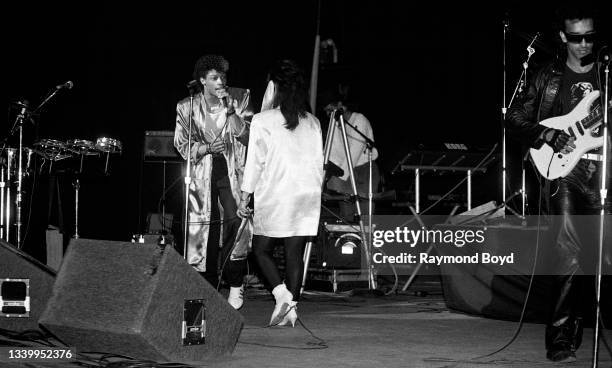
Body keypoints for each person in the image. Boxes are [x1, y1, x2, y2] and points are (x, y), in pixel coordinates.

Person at [506, 4, 608, 362]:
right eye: (576, 37)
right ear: (564, 37)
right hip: (562, 173)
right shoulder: (547, 73)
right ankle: (560, 338)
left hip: (602, 172)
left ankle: (581, 320)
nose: (584, 44)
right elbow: (514, 118)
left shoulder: (608, 76)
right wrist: (546, 133)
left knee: (599, 256)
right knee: (566, 253)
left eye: (589, 37)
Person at [237, 60, 323, 326]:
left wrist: (244, 195)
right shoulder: (313, 121)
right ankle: (291, 310)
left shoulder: (263, 120)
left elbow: (255, 161)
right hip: (306, 193)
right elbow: (319, 162)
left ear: (274, 87)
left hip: (278, 191)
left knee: (260, 248)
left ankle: (281, 294)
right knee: (293, 253)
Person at [174, 54, 253, 310]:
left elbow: (250, 137)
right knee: (203, 229)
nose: (221, 81)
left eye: (223, 77)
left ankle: (235, 283)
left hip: (232, 171)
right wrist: (206, 148)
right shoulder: (186, 106)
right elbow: (180, 143)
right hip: (203, 172)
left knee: (236, 222)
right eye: (214, 77)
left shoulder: (239, 99)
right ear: (202, 80)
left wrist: (231, 113)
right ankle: (204, 287)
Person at [324, 89, 380, 222]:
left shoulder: (359, 119)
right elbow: (331, 154)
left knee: (365, 217)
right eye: (326, 111)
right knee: (346, 217)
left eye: (330, 109)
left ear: (340, 105)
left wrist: (338, 180)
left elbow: (354, 153)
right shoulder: (335, 124)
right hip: (346, 172)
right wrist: (325, 176)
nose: (328, 114)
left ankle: (366, 242)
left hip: (364, 170)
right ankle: (348, 242)